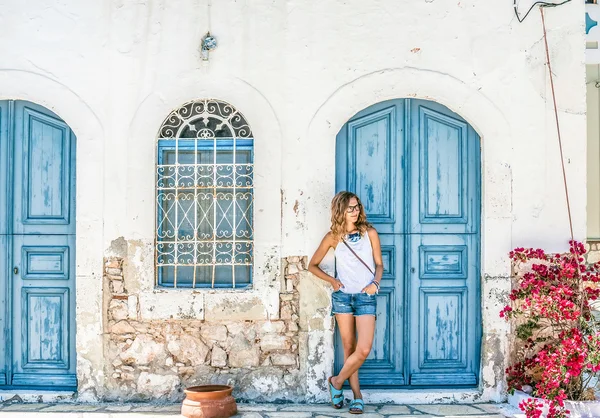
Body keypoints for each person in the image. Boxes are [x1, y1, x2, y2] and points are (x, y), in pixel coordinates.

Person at [308, 191, 384, 415]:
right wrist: (332, 281)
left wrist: (375, 284)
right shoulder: (333, 236)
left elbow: (379, 264)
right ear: (340, 210)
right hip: (343, 297)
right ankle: (357, 397)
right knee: (349, 348)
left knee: (364, 348)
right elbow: (312, 265)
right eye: (350, 208)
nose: (355, 211)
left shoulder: (369, 233)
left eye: (357, 206)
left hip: (365, 296)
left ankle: (337, 381)